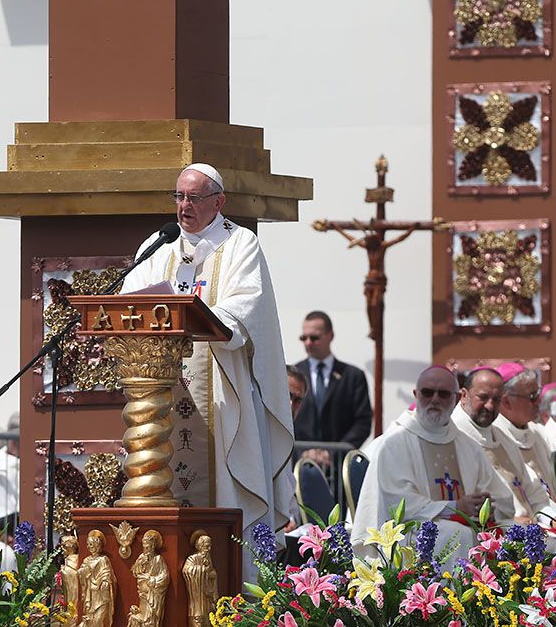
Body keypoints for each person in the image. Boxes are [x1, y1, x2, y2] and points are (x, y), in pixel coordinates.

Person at [121, 162, 294, 542]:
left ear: (219, 202)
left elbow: (247, 304)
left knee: (223, 480)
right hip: (161, 389)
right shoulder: (160, 243)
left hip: (218, 387)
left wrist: (201, 315)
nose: (184, 206)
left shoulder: (240, 243)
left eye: (194, 198)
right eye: (179, 196)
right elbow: (130, 297)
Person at [351, 366, 514, 564]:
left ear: (456, 399)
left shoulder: (468, 446)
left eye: (443, 394)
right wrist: (455, 507)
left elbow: (501, 497)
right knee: (458, 533)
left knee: (516, 534)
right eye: (427, 393)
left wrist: (486, 503)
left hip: (461, 529)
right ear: (416, 395)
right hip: (407, 535)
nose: (435, 399)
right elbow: (397, 503)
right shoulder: (395, 443)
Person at [450, 367, 554, 523]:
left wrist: (551, 519)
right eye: (483, 397)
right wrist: (509, 519)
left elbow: (532, 489)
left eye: (496, 399)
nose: (490, 406)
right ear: (464, 396)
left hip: (530, 527)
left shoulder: (502, 436)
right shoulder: (454, 436)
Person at [292, 311, 374, 451]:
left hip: (338, 466)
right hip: (299, 462)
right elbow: (282, 416)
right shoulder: (293, 376)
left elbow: (363, 422)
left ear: (330, 336)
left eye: (314, 337)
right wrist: (302, 452)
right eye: (303, 338)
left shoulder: (353, 376)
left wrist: (332, 453)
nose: (308, 343)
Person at [492, 363, 556, 499]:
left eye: (538, 393)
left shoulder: (538, 433)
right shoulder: (493, 437)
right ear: (506, 402)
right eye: (533, 396)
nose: (539, 401)